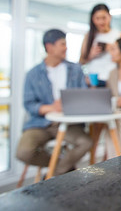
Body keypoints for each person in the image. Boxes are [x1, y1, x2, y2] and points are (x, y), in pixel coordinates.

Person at [16, 29, 93, 176]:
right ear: (49, 47)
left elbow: (84, 95)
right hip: (41, 123)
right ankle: (63, 167)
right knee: (23, 152)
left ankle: (52, 175)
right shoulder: (33, 74)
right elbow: (29, 104)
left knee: (86, 143)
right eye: (62, 44)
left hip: (67, 123)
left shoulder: (76, 70)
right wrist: (50, 107)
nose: (66, 48)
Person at [79, 3, 121, 87]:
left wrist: (112, 49)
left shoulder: (117, 35)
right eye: (97, 18)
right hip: (93, 81)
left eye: (104, 18)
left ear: (110, 17)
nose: (101, 22)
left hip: (111, 80)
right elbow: (81, 62)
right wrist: (91, 55)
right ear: (92, 19)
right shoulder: (89, 36)